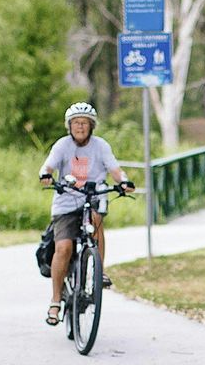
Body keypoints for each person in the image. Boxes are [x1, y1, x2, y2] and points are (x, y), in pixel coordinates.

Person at [39, 102, 135, 326]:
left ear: (91, 126)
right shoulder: (62, 145)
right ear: (69, 126)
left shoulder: (101, 146)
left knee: (96, 220)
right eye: (76, 123)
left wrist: (124, 182)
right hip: (66, 200)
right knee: (63, 247)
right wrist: (46, 175)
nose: (80, 127)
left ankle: (99, 269)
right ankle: (55, 301)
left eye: (84, 123)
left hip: (93, 197)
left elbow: (115, 170)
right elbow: (48, 167)